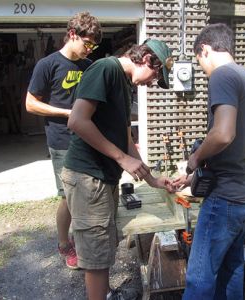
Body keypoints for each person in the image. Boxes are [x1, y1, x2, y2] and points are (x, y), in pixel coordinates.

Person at [60, 39, 174, 300]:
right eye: (156, 75)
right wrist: (122, 159)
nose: (153, 82)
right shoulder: (105, 69)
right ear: (146, 59)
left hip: (102, 178)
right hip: (88, 177)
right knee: (96, 257)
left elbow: (125, 138)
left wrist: (153, 180)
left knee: (104, 246)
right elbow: (76, 121)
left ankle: (106, 293)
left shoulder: (123, 83)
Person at [172, 23, 245, 299]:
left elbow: (223, 134)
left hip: (225, 198)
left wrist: (194, 159)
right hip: (244, 191)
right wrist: (193, 177)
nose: (202, 69)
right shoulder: (244, 78)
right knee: (231, 267)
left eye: (199, 62)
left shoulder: (222, 75)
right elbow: (243, 146)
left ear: (205, 50)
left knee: (199, 275)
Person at [25, 11, 102, 269]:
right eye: (87, 43)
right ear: (72, 35)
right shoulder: (47, 65)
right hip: (61, 141)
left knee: (87, 191)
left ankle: (85, 238)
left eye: (94, 45)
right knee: (68, 197)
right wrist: (67, 113)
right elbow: (31, 104)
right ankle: (63, 243)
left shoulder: (88, 65)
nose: (89, 49)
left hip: (87, 138)